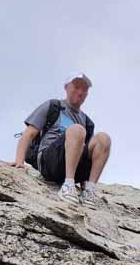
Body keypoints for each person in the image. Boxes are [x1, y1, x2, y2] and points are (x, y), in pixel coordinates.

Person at [12, 73, 111, 205]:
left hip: (75, 166)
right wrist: (19, 162)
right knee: (77, 130)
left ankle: (90, 191)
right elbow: (28, 134)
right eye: (76, 87)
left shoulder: (87, 122)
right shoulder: (53, 106)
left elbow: (87, 155)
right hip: (49, 161)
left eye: (84, 90)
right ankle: (68, 185)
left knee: (104, 138)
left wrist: (84, 183)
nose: (80, 92)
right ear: (66, 87)